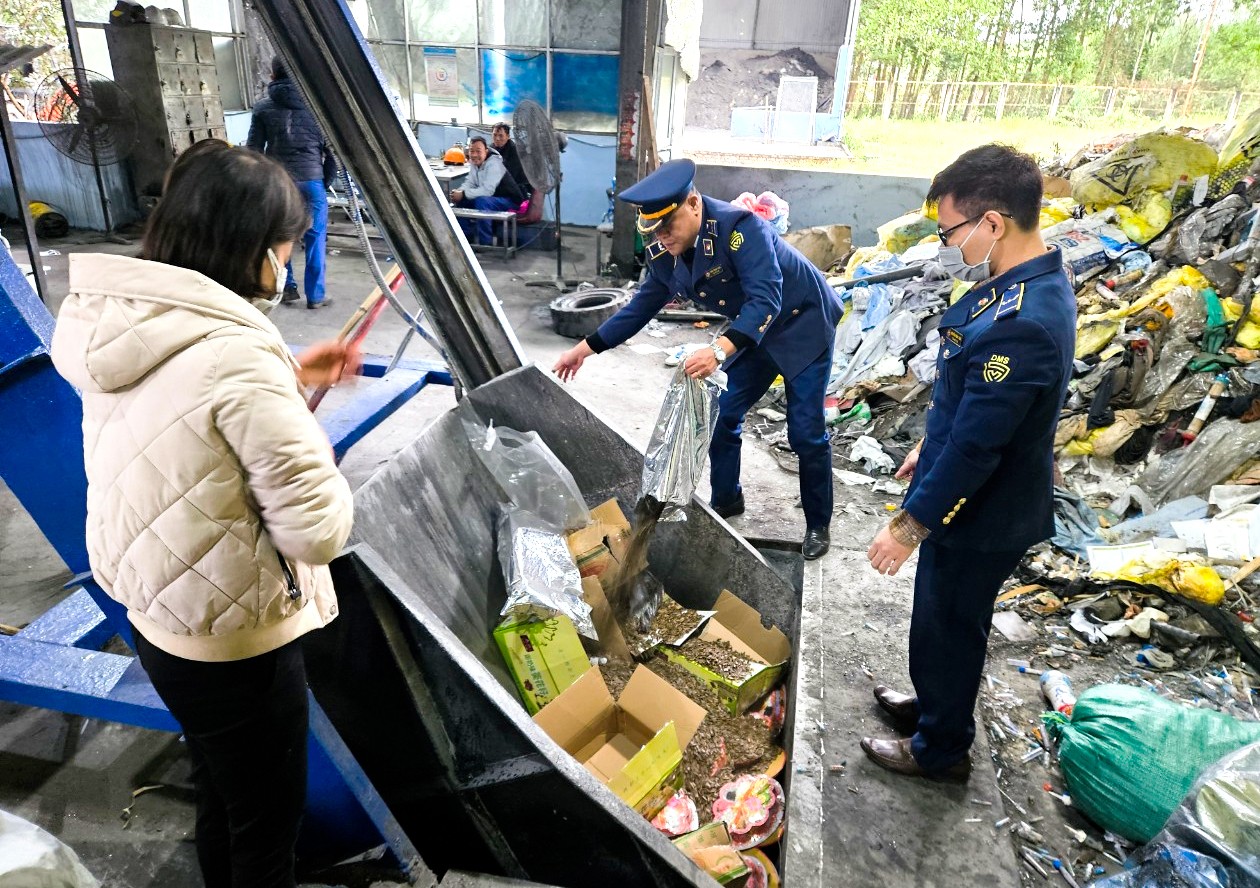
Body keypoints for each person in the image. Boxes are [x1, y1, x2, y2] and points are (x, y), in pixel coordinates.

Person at [50, 146, 358, 888]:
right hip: (234, 637)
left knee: (222, 792)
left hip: (159, 614)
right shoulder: (236, 358)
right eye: (284, 249)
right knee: (264, 826)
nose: (286, 265)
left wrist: (286, 374)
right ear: (254, 254)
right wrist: (299, 423)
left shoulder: (122, 321)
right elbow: (316, 530)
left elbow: (188, 413)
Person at [862, 144, 1076, 780]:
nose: (946, 243)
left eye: (950, 229)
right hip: (970, 489)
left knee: (951, 627)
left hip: (984, 509)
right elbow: (980, 403)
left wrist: (908, 525)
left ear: (993, 224)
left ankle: (941, 750)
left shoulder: (1026, 321)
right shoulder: (1016, 286)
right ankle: (934, 709)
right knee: (937, 618)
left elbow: (981, 447)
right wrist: (930, 443)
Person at [553, 158, 842, 559]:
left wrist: (718, 350)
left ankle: (818, 524)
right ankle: (728, 500)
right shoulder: (665, 250)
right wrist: (585, 348)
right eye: (653, 230)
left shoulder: (741, 229)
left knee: (805, 432)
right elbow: (641, 307)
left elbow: (766, 298)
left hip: (802, 324)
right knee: (722, 415)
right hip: (753, 330)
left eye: (668, 227)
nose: (662, 238)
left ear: (693, 203)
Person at [247, 56, 337, 309]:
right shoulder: (319, 109)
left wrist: (262, 182)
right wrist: (322, 180)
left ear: (273, 75)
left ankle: (288, 287)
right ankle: (316, 296)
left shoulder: (263, 108)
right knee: (315, 238)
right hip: (312, 181)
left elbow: (253, 149)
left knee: (279, 236)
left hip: (279, 184)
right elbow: (333, 154)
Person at [450, 135, 525, 246]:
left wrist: (464, 194)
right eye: (471, 151)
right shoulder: (475, 163)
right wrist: (459, 192)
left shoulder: (495, 164)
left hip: (510, 200)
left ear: (486, 151)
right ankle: (465, 239)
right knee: (461, 201)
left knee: (481, 201)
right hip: (492, 198)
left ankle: (485, 243)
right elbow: (470, 183)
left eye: (478, 151)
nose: (474, 155)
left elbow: (487, 191)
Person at [492, 122, 532, 203]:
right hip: (499, 190)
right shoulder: (492, 148)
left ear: (508, 137)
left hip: (515, 193)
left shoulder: (515, 152)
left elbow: (509, 177)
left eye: (500, 135)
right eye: (495, 135)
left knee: (482, 201)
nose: (497, 138)